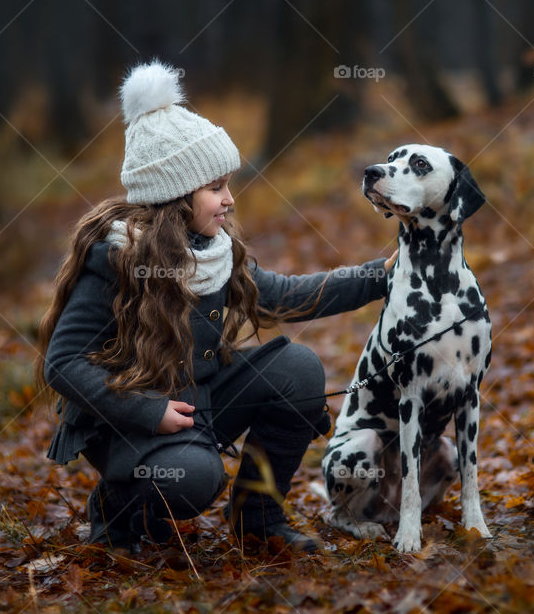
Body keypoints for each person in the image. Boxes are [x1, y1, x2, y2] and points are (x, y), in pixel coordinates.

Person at [34, 61, 396, 553]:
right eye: (216, 188)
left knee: (298, 370)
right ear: (176, 196)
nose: (229, 200)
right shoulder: (117, 259)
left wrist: (382, 275)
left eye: (227, 185)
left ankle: (258, 519)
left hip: (198, 400)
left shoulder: (212, 250)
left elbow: (285, 295)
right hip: (128, 421)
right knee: (193, 478)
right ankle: (115, 506)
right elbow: (62, 362)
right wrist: (149, 411)